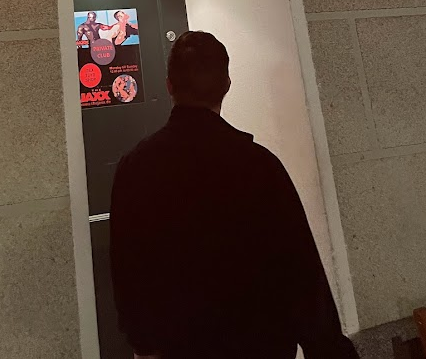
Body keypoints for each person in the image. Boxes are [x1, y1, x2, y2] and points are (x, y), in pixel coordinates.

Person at [110, 31, 360, 359]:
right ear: (226, 85)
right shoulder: (261, 167)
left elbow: (125, 271)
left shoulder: (134, 168)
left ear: (169, 86)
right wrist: (326, 347)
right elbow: (300, 273)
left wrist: (144, 343)